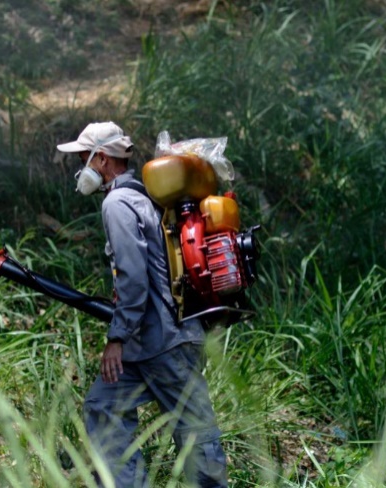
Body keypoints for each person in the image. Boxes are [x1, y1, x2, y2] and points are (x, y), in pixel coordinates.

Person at [57, 121, 228, 487]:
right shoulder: (141, 197)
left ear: (102, 159)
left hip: (164, 343)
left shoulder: (117, 203)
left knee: (195, 431)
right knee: (105, 405)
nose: (80, 167)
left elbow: (133, 278)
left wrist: (116, 337)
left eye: (84, 158)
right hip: (151, 344)